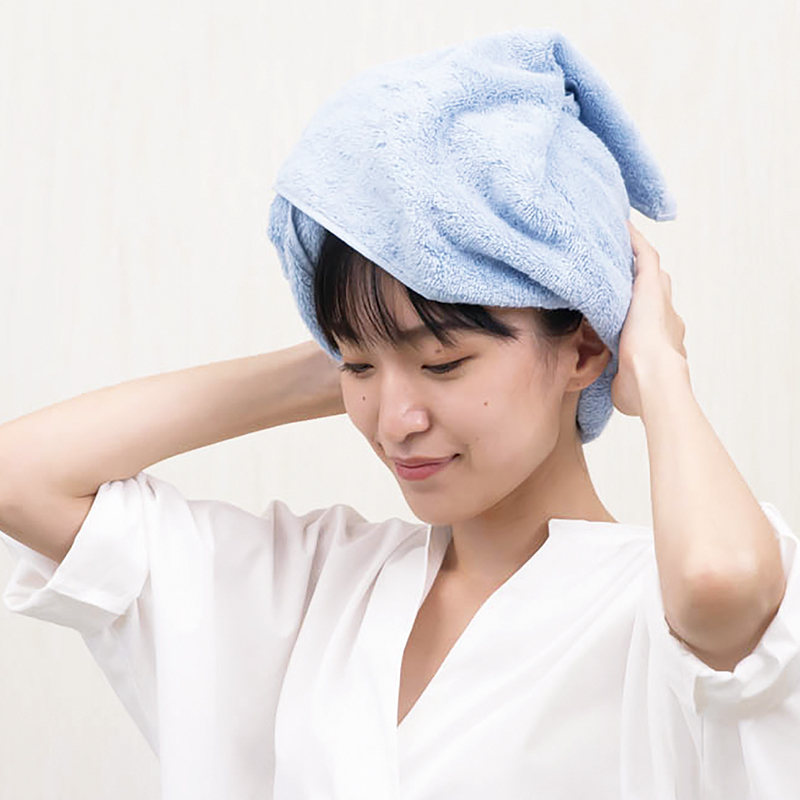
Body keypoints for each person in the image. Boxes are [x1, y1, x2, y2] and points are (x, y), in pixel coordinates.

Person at [2, 27, 800, 800]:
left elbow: (720, 584)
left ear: (585, 349)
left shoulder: (647, 607)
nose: (394, 422)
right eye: (356, 368)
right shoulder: (317, 587)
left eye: (443, 363)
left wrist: (656, 365)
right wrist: (349, 353)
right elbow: (20, 476)